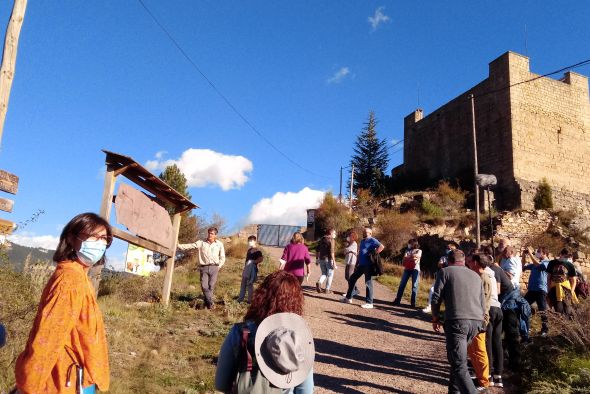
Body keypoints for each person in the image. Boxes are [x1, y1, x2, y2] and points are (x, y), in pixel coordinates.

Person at [15, 213, 112, 394]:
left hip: (77, 374)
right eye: (93, 236)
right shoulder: (70, 279)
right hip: (62, 380)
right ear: (71, 238)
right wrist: (29, 387)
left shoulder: (79, 275)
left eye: (104, 238)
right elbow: (49, 335)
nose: (99, 243)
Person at [215, 271, 314, 393]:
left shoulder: (240, 332)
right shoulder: (299, 339)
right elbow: (305, 391)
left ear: (262, 297)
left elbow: (221, 383)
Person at [431, 249, 485, 394]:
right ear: (463, 261)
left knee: (458, 363)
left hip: (457, 321)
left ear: (449, 260)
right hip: (476, 322)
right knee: (457, 360)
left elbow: (436, 297)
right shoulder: (475, 275)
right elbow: (482, 301)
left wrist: (435, 317)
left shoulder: (445, 272)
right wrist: (482, 323)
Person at [178, 227, 226, 309]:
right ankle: (211, 302)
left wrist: (219, 266)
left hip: (214, 267)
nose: (210, 235)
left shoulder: (219, 244)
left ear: (215, 235)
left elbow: (222, 257)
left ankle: (209, 305)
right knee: (204, 286)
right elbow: (191, 245)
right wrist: (179, 246)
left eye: (212, 233)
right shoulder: (201, 242)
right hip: (204, 267)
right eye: (209, 233)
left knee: (211, 286)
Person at [467, 253, 494, 390]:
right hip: (473, 317)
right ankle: (479, 378)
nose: (469, 263)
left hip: (479, 318)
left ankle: (484, 382)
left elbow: (482, 302)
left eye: (471, 261)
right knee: (472, 351)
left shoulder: (483, 278)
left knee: (479, 351)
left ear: (476, 263)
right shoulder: (477, 277)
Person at [340, 227, 384, 309]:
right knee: (352, 278)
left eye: (366, 232)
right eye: (364, 232)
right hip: (361, 265)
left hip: (368, 265)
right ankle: (348, 298)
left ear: (370, 234)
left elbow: (381, 246)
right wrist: (357, 262)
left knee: (368, 283)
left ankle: (369, 303)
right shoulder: (362, 241)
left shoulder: (372, 240)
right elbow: (360, 252)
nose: (364, 233)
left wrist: (374, 254)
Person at [522, 246, 550, 336]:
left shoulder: (547, 262)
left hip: (541, 290)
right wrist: (523, 255)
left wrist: (530, 253)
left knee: (542, 310)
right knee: (523, 304)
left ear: (544, 253)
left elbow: (538, 265)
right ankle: (526, 325)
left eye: (539, 251)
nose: (537, 253)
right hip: (532, 289)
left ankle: (545, 329)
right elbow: (524, 267)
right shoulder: (535, 263)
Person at [423, 242, 457, 314]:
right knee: (433, 289)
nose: (447, 250)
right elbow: (439, 264)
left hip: (452, 278)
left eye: (449, 249)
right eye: (447, 248)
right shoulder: (444, 258)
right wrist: (444, 264)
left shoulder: (456, 259)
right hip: (442, 277)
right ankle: (430, 306)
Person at [393, 239, 422, 307]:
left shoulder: (419, 250)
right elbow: (405, 258)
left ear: (413, 244)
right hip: (407, 269)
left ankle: (413, 303)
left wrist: (408, 257)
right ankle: (397, 300)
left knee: (414, 286)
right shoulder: (407, 250)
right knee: (402, 284)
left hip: (415, 269)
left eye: (410, 243)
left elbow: (417, 257)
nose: (408, 245)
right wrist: (411, 257)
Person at [238, 235, 264, 303]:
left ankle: (250, 300)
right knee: (243, 283)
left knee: (250, 284)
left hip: (252, 269)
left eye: (251, 241)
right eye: (249, 241)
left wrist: (253, 262)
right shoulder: (249, 250)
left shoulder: (258, 251)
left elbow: (261, 259)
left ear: (255, 241)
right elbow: (246, 260)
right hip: (246, 268)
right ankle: (240, 299)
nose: (250, 242)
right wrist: (245, 266)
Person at [315, 229, 336, 294]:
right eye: (334, 233)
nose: (335, 234)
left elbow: (317, 250)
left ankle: (319, 282)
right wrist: (334, 261)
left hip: (321, 259)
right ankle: (327, 289)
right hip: (329, 259)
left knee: (324, 273)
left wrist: (317, 259)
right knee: (330, 275)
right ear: (330, 234)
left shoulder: (322, 239)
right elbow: (332, 252)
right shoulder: (331, 240)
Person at [344, 230, 359, 297]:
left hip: (352, 261)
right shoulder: (349, 243)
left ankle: (351, 291)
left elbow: (346, 250)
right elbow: (344, 251)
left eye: (349, 236)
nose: (348, 237)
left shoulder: (354, 243)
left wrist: (346, 249)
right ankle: (355, 289)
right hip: (347, 261)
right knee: (347, 277)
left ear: (352, 237)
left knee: (350, 276)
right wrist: (346, 249)